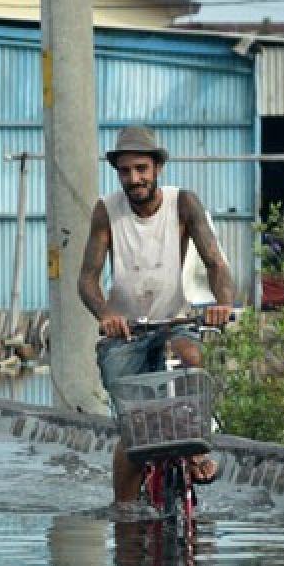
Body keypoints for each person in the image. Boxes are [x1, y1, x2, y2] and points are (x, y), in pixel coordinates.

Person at [78, 125, 236, 505]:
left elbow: (215, 262)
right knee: (135, 432)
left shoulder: (183, 203)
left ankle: (197, 448)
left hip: (175, 322)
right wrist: (105, 314)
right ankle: (125, 513)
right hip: (126, 333)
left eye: (142, 169)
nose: (134, 179)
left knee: (190, 358)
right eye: (126, 171)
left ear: (158, 168)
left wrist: (223, 303)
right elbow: (87, 279)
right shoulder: (107, 210)